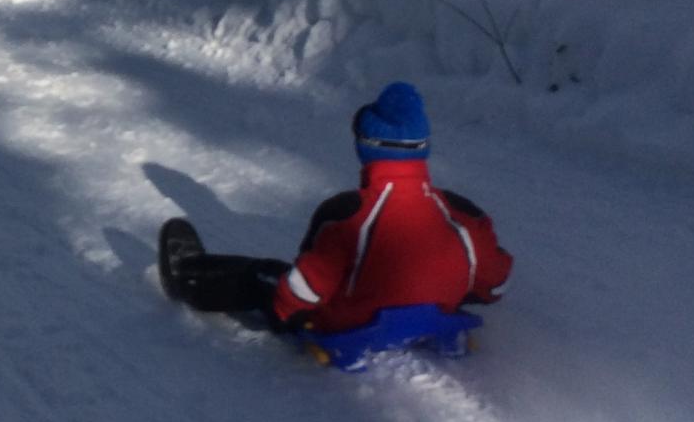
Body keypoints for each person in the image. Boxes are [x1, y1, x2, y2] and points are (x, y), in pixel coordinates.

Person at [159, 81, 512, 334]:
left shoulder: (346, 214)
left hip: (350, 321)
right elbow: (494, 287)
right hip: (440, 312)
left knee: (263, 275)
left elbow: (305, 291)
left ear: (367, 148)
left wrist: (284, 309)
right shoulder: (464, 213)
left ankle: (188, 277)